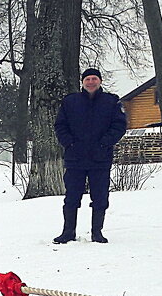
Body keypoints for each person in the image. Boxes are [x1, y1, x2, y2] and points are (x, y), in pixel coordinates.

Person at [54, 67, 127, 244]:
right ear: (83, 82)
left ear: (100, 81)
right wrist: (69, 144)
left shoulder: (111, 102)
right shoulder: (70, 102)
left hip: (100, 158)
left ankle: (97, 232)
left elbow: (119, 126)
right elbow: (60, 126)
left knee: (100, 197)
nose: (91, 82)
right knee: (72, 197)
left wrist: (104, 144)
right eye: (87, 79)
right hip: (75, 158)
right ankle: (68, 232)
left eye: (94, 79)